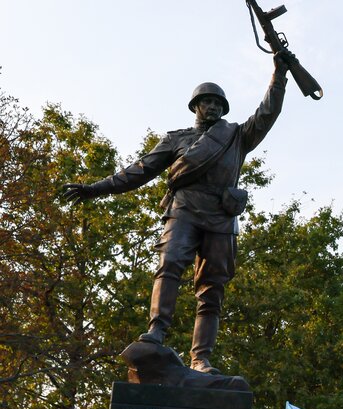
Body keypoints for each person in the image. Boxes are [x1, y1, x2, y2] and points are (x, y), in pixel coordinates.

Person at [60, 51, 293, 375]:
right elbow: (138, 171)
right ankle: (156, 332)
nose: (212, 107)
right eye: (206, 101)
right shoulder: (176, 140)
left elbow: (267, 113)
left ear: (223, 109)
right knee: (169, 263)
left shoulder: (237, 136)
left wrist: (278, 76)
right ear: (196, 106)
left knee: (212, 290)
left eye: (217, 103)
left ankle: (201, 359)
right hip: (183, 209)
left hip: (221, 217)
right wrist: (94, 188)